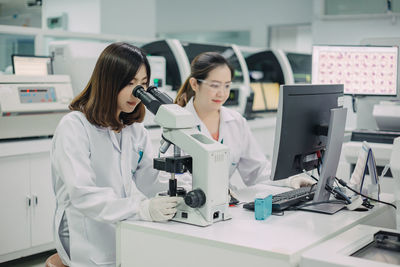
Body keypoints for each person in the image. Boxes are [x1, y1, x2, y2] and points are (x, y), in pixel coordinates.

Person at [51, 42, 180, 267]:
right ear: (108, 83)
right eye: (129, 83)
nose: (137, 93)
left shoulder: (134, 130)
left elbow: (150, 180)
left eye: (142, 85)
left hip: (124, 225)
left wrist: (187, 191)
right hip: (85, 236)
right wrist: (141, 208)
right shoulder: (74, 127)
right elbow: (82, 194)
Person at [174, 52, 315, 190]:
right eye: (215, 85)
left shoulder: (236, 121)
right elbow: (175, 180)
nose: (222, 93)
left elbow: (257, 170)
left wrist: (290, 180)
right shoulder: (176, 123)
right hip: (192, 205)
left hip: (227, 204)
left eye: (227, 85)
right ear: (194, 84)